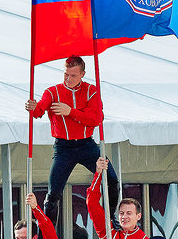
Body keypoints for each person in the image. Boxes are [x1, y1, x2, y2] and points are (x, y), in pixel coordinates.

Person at [25, 55, 119, 226]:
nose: (68, 79)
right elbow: (39, 110)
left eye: (73, 75)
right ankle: (47, 234)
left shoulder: (92, 91)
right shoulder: (52, 92)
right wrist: (32, 107)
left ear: (83, 74)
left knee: (112, 178)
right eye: (65, 74)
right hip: (63, 148)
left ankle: (112, 217)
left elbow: (96, 119)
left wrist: (70, 112)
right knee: (53, 192)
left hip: (87, 145)